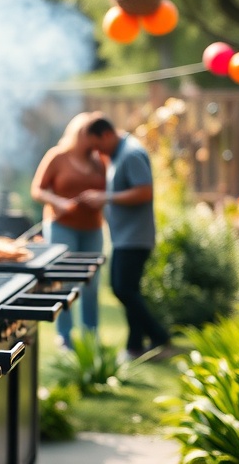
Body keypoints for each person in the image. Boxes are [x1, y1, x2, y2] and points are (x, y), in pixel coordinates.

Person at [79, 114, 171, 358]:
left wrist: (105, 198)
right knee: (129, 289)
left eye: (98, 145)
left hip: (135, 237)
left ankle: (159, 336)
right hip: (125, 237)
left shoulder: (131, 154)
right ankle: (135, 345)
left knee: (122, 289)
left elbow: (144, 192)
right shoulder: (118, 153)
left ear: (107, 134)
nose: (97, 152)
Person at [31, 112, 107, 349]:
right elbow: (37, 190)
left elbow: (108, 191)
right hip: (61, 227)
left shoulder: (98, 160)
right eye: (88, 135)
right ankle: (64, 335)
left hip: (92, 228)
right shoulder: (57, 156)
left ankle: (90, 336)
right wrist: (58, 202)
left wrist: (100, 199)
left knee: (92, 284)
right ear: (78, 134)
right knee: (64, 282)